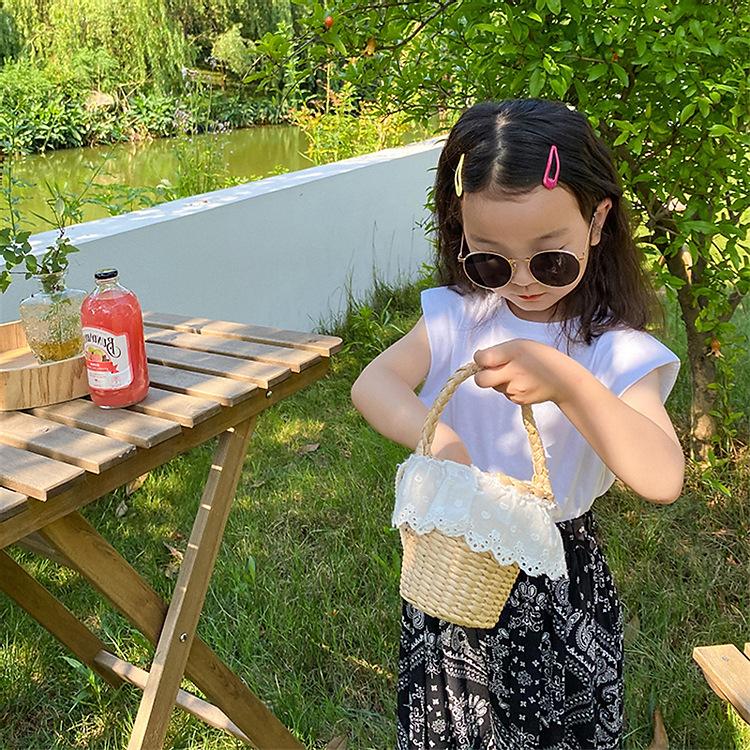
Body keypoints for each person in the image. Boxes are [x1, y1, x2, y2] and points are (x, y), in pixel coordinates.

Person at [350, 99, 685, 749]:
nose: (523, 282)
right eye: (491, 261)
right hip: (456, 568)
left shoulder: (614, 350)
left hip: (557, 579)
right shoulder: (460, 316)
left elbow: (662, 476)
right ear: (463, 234)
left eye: (550, 259)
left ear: (597, 221)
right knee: (454, 725)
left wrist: (567, 382)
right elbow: (374, 383)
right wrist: (442, 439)